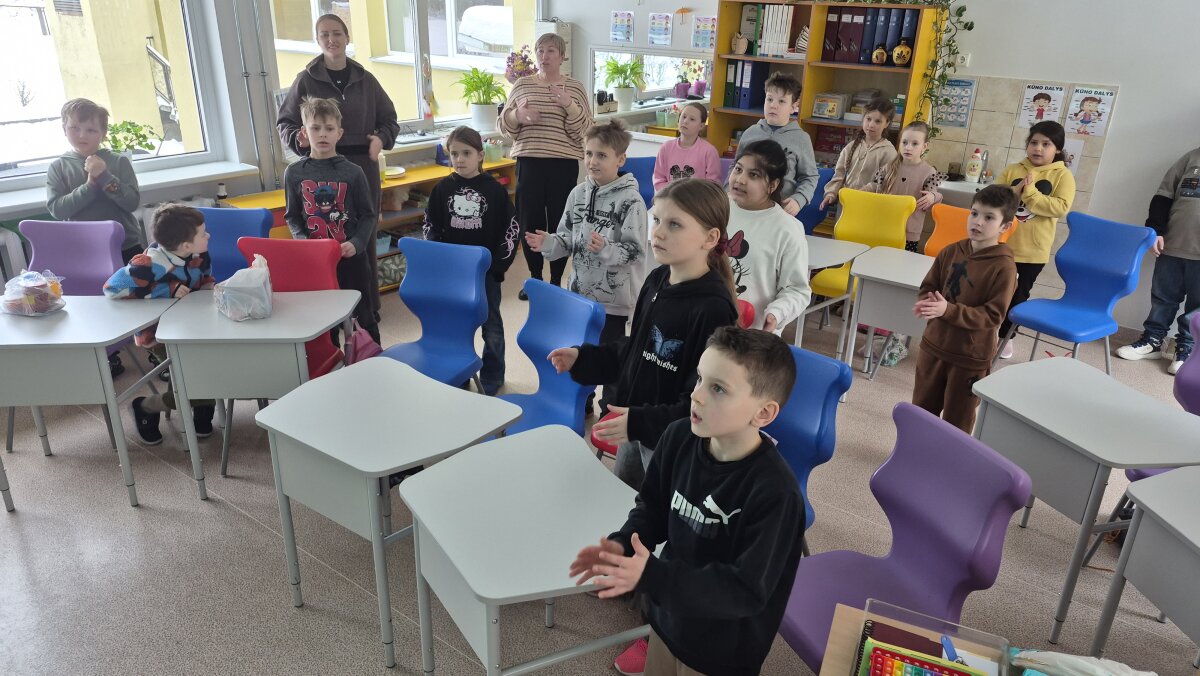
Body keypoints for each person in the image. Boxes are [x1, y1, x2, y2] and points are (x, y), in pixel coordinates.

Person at [569, 326, 804, 676]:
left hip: (723, 652)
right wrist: (623, 544)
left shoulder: (776, 494)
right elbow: (652, 508)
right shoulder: (678, 437)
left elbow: (745, 590)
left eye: (718, 388)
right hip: (667, 622)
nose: (697, 395)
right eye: (700, 379)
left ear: (764, 414)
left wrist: (653, 577)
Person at [548, 178, 738, 491]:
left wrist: (641, 423)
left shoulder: (713, 309)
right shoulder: (657, 279)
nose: (658, 232)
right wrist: (584, 358)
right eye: (657, 219)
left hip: (673, 440)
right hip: (636, 426)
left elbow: (704, 398)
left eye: (675, 224)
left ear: (710, 237)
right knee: (627, 500)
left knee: (658, 512)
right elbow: (636, 350)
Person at [277, 13, 399, 318]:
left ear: (347, 37)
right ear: (318, 40)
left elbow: (390, 120)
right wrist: (299, 139)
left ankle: (367, 307)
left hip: (361, 167)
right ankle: (329, 308)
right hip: (318, 167)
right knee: (324, 230)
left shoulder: (365, 78)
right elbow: (285, 123)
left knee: (362, 234)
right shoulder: (305, 79)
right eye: (324, 35)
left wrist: (381, 139)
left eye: (337, 33)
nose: (331, 40)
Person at [527, 119, 648, 415]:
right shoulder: (577, 193)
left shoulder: (631, 202)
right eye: (589, 153)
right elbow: (567, 237)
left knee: (611, 361)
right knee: (582, 355)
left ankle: (611, 412)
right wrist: (549, 243)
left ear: (620, 160)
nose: (593, 161)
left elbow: (635, 251)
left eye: (602, 155)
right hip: (580, 296)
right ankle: (583, 404)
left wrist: (606, 249)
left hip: (613, 303)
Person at [103, 204, 216, 446]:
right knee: (201, 376)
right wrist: (167, 289)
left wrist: (213, 291)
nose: (208, 236)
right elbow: (112, 288)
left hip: (192, 328)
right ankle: (146, 407)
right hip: (156, 335)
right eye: (203, 233)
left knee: (203, 371)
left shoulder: (200, 255)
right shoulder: (150, 263)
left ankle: (202, 408)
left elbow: (205, 279)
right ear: (186, 245)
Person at [912, 184, 1018, 433]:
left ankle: (950, 459)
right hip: (933, 347)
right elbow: (929, 287)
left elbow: (993, 315)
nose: (978, 222)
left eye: (989, 217)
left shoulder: (1004, 267)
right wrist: (928, 303)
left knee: (957, 423)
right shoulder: (950, 251)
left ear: (1005, 226)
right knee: (920, 414)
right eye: (974, 213)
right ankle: (915, 452)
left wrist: (947, 311)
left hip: (970, 358)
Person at [423, 126, 519, 395]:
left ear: (480, 155)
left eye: (466, 153)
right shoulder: (441, 190)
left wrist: (498, 267)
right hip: (454, 276)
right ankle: (460, 371)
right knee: (457, 327)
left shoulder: (495, 191)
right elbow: (430, 227)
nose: (460, 159)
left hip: (486, 274)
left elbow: (511, 230)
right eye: (454, 154)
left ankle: (493, 375)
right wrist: (441, 260)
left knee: (492, 326)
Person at [499, 32, 593, 300]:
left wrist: (569, 105)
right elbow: (504, 126)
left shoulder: (574, 87)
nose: (544, 56)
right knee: (530, 221)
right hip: (528, 162)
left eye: (551, 50)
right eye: (540, 50)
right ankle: (535, 278)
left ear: (562, 56)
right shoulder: (522, 85)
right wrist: (517, 115)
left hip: (563, 165)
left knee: (560, 222)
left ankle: (555, 281)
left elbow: (587, 130)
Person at [282, 97, 380, 343]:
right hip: (316, 262)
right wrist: (304, 243)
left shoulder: (353, 172)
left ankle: (375, 360)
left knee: (363, 315)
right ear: (304, 132)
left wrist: (357, 243)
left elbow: (368, 214)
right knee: (325, 322)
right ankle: (334, 363)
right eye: (315, 128)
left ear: (339, 133)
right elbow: (292, 216)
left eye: (329, 128)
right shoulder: (294, 173)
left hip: (352, 260)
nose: (322, 134)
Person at [1116, 146, 1200, 374]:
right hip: (1171, 246)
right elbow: (1164, 195)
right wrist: (1155, 230)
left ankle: (1187, 349)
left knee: (1197, 308)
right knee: (1163, 299)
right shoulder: (1191, 158)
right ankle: (1152, 341)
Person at [995, 120, 1076, 359]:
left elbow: (1060, 207)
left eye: (1046, 144)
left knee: (1018, 297)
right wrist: (1014, 192)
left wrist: (1029, 193)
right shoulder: (1013, 169)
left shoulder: (1063, 176)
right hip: (1001, 245)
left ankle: (1006, 338)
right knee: (992, 291)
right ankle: (985, 332)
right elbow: (994, 198)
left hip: (1032, 252)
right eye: (1034, 142)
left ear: (1057, 149)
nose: (1038, 148)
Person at [726, 140, 811, 333]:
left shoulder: (788, 229)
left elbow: (797, 290)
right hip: (706, 325)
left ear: (773, 185)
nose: (740, 179)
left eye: (753, 175)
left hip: (752, 336)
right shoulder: (717, 210)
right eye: (738, 169)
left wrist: (776, 313)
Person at [47, 98, 144, 264]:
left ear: (103, 133)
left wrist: (104, 176)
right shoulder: (58, 167)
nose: (82, 135)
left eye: (91, 130)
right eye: (74, 128)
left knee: (137, 281)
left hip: (125, 246)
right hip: (84, 248)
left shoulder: (119, 161)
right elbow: (58, 210)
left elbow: (131, 203)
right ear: (64, 129)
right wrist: (90, 186)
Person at [733, 71, 818, 216]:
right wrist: (728, 191)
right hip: (745, 205)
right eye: (769, 99)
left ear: (793, 107)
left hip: (779, 209)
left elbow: (810, 177)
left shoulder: (801, 139)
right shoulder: (750, 133)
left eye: (781, 101)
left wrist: (799, 199)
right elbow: (735, 167)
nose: (773, 105)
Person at [864, 121, 943, 252]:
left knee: (903, 263)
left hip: (909, 233)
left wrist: (932, 196)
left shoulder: (930, 172)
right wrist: (859, 191)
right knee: (880, 260)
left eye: (915, 144)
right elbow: (875, 185)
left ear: (924, 147)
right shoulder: (888, 167)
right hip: (884, 227)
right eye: (904, 142)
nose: (908, 148)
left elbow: (935, 195)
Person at [820, 97, 898, 212]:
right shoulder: (852, 146)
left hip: (869, 206)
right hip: (846, 203)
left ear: (887, 123)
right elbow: (839, 173)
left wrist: (860, 193)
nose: (871, 125)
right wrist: (831, 193)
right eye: (868, 119)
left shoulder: (889, 152)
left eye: (878, 121)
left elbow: (884, 182)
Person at [652, 102, 721, 192]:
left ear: (701, 126)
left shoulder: (709, 151)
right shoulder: (666, 148)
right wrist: (671, 195)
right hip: (670, 197)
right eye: (683, 117)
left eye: (692, 119)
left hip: (697, 199)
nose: (685, 121)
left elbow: (712, 186)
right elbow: (659, 180)